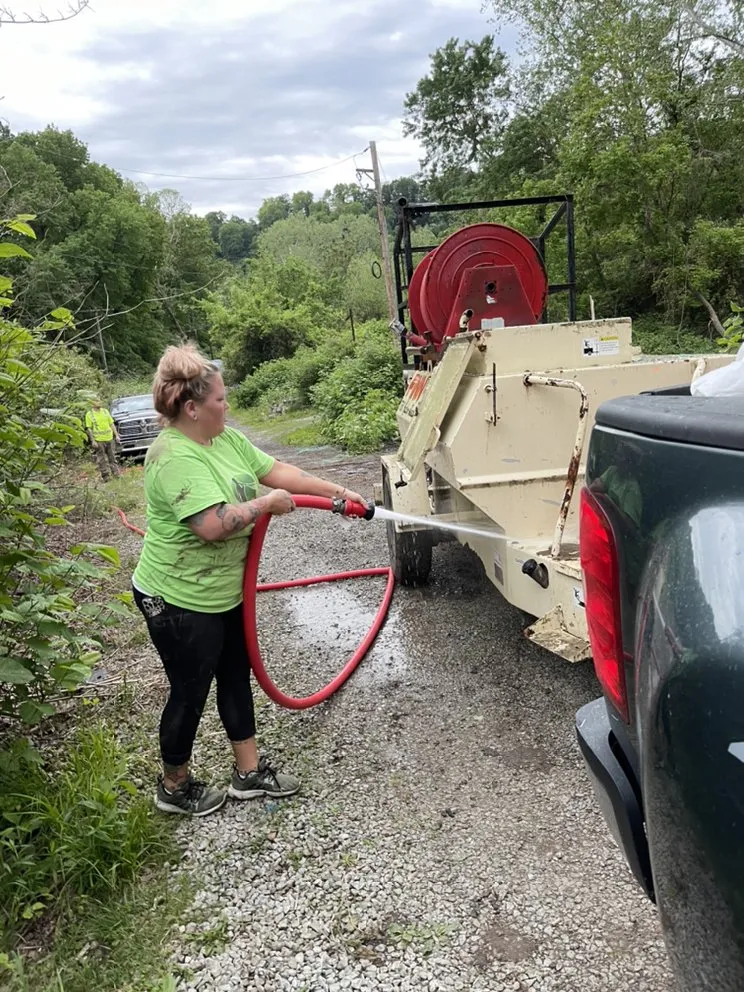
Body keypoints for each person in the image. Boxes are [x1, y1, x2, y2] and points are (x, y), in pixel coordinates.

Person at [131, 344, 368, 817]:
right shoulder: (173, 456)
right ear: (192, 407)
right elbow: (212, 526)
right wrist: (264, 505)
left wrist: (339, 493)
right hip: (176, 596)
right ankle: (173, 787)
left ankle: (248, 773)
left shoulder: (224, 439)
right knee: (190, 689)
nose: (227, 405)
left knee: (236, 676)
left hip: (222, 592)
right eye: (220, 399)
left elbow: (278, 471)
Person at [85, 398, 120, 481]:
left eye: (100, 401)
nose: (99, 402)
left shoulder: (105, 411)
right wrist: (93, 440)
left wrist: (117, 435)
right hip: (99, 440)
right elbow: (89, 429)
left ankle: (116, 474)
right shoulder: (89, 414)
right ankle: (105, 476)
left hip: (109, 438)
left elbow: (111, 424)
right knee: (101, 459)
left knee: (112, 457)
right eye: (97, 401)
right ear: (92, 403)